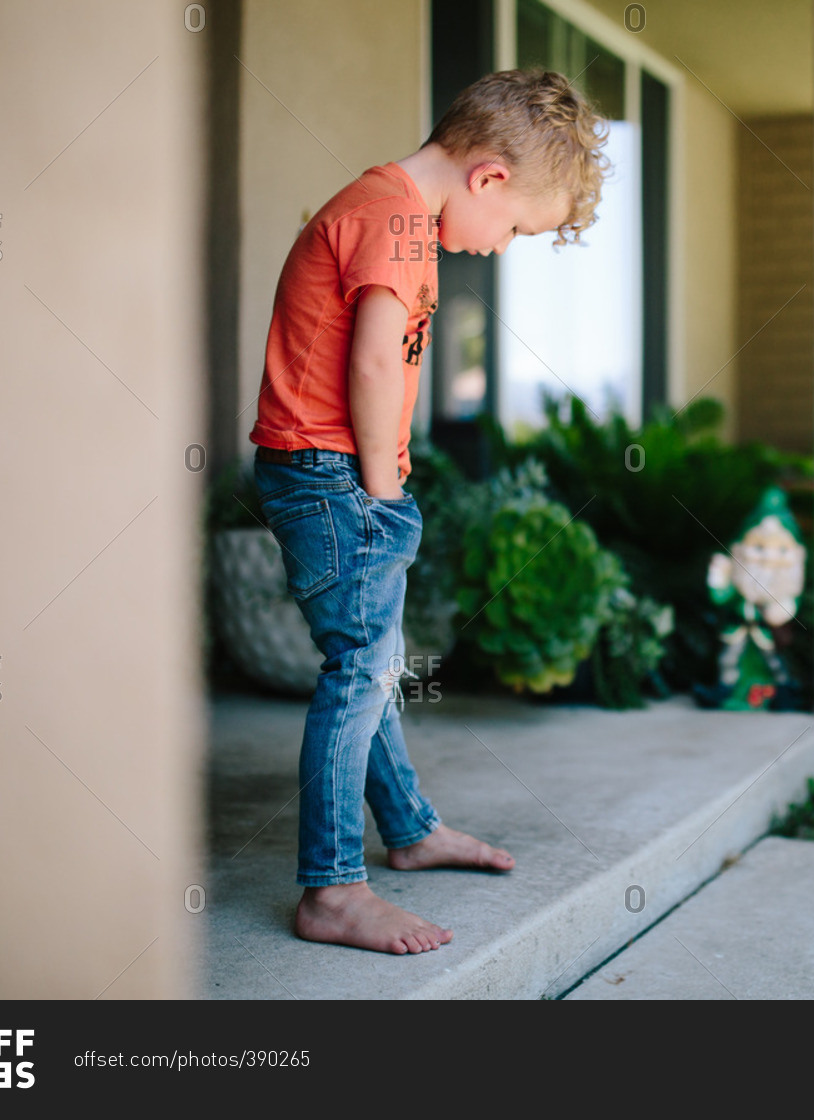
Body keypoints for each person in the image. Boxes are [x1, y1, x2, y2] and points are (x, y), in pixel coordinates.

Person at [247, 69, 611, 955]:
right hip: (334, 478)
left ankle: (408, 828)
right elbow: (374, 365)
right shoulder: (395, 217)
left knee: (370, 663)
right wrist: (381, 490)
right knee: (359, 674)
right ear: (488, 178)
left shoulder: (396, 211)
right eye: (517, 229)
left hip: (333, 472)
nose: (501, 247)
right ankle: (332, 890)